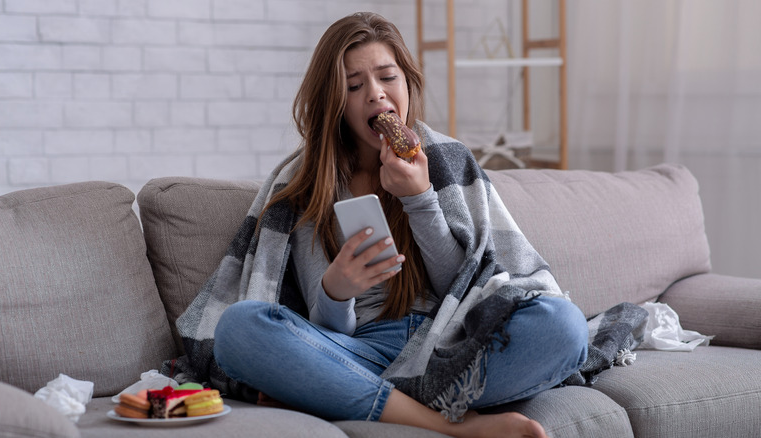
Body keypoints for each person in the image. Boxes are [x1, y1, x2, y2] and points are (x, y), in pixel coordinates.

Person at [194, 12, 588, 438]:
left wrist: (420, 201)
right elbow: (326, 328)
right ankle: (452, 424)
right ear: (335, 102)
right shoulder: (307, 186)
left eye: (387, 78)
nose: (376, 95)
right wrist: (336, 290)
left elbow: (466, 284)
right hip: (356, 350)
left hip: (450, 345)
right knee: (240, 329)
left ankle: (348, 396)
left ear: (407, 83)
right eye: (354, 86)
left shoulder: (448, 161)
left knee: (563, 325)